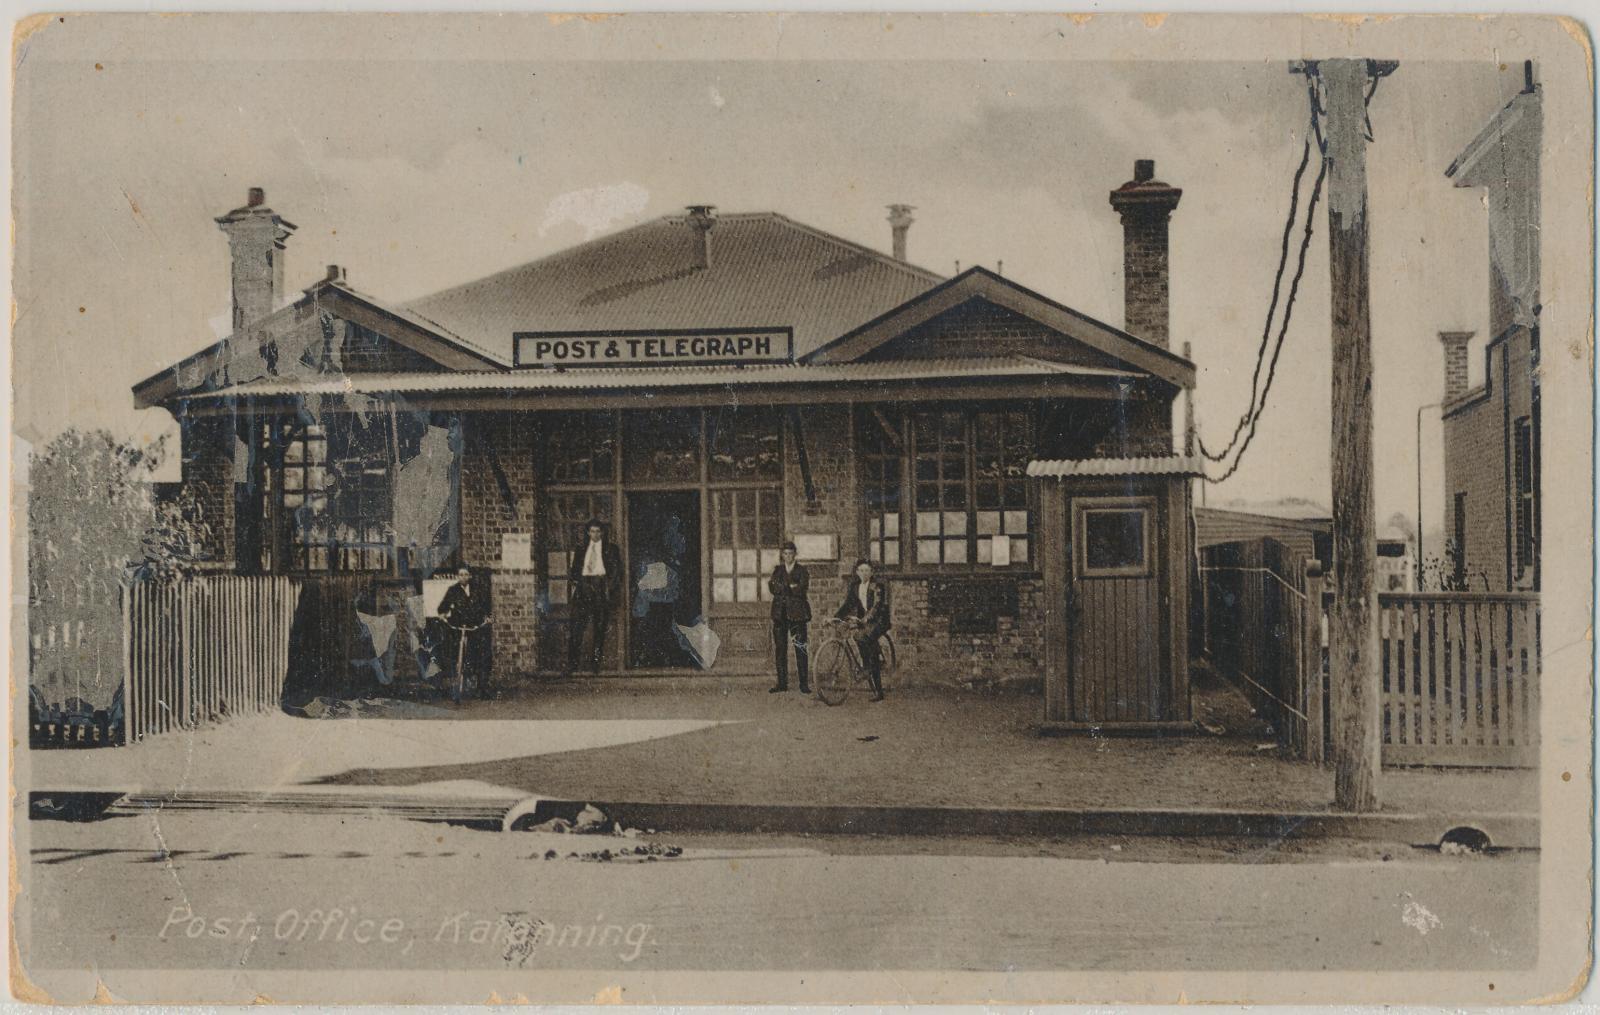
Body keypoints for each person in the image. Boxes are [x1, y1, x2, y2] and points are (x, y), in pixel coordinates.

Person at [567, 519, 623, 676]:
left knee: (599, 629)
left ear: (603, 533)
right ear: (588, 533)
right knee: (577, 627)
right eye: (592, 531)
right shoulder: (581, 549)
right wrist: (579, 582)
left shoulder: (611, 550)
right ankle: (572, 665)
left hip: (600, 589)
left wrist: (607, 588)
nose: (595, 534)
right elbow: (574, 571)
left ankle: (595, 665)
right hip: (584, 589)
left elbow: (617, 572)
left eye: (598, 531)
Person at [835, 557, 891, 701]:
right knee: (860, 636)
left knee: (861, 637)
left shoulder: (877, 586)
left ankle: (877, 688)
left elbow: (876, 607)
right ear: (857, 572)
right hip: (865, 621)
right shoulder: (855, 586)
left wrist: (864, 619)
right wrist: (835, 617)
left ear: (871, 572)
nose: (864, 573)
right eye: (861, 570)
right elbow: (848, 605)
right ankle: (870, 663)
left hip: (879, 620)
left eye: (867, 570)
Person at [437, 566, 490, 702]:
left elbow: (485, 606)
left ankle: (482, 688)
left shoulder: (477, 590)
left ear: (470, 576)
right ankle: (455, 684)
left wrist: (487, 617)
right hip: (458, 626)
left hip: (474, 627)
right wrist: (442, 614)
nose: (463, 577)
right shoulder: (452, 590)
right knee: (455, 654)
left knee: (480, 655)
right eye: (461, 574)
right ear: (457, 577)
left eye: (466, 574)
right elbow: (443, 607)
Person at [767, 541, 812, 694]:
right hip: (780, 615)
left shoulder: (802, 570)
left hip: (798, 615)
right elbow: (772, 587)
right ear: (782, 555)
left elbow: (802, 588)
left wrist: (784, 587)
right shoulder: (777, 570)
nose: (788, 556)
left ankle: (804, 684)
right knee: (780, 650)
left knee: (800, 648)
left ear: (795, 554)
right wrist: (790, 587)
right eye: (785, 554)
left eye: (791, 553)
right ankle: (782, 683)